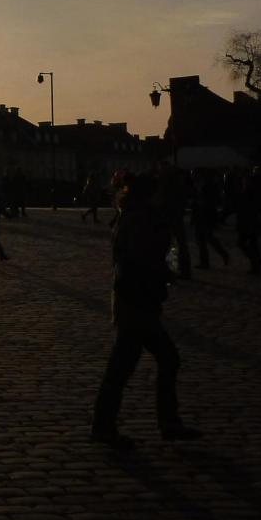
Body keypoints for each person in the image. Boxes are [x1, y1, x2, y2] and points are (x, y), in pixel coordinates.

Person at [91, 173, 201, 449]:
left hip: (134, 298)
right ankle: (111, 425)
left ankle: (160, 422)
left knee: (143, 362)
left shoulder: (133, 216)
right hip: (137, 299)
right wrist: (165, 272)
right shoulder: (141, 219)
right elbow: (144, 257)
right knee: (134, 364)